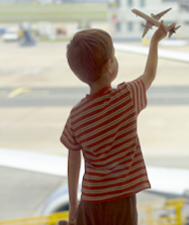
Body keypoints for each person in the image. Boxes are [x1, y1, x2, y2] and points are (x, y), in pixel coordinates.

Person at [61, 21, 168, 225]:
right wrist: (155, 41)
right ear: (109, 66)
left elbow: (73, 160)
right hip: (122, 201)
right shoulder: (127, 97)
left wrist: (73, 204)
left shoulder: (76, 115)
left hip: (90, 202)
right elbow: (150, 74)